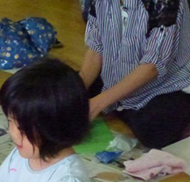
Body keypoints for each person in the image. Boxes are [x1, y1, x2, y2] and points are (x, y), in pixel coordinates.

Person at [80, 0, 190, 149]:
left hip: (165, 84)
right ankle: (123, 108)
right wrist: (76, 93)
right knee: (59, 92)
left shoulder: (166, 2)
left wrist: (96, 104)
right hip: (118, 73)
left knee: (153, 127)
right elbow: (95, 49)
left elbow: (152, 66)